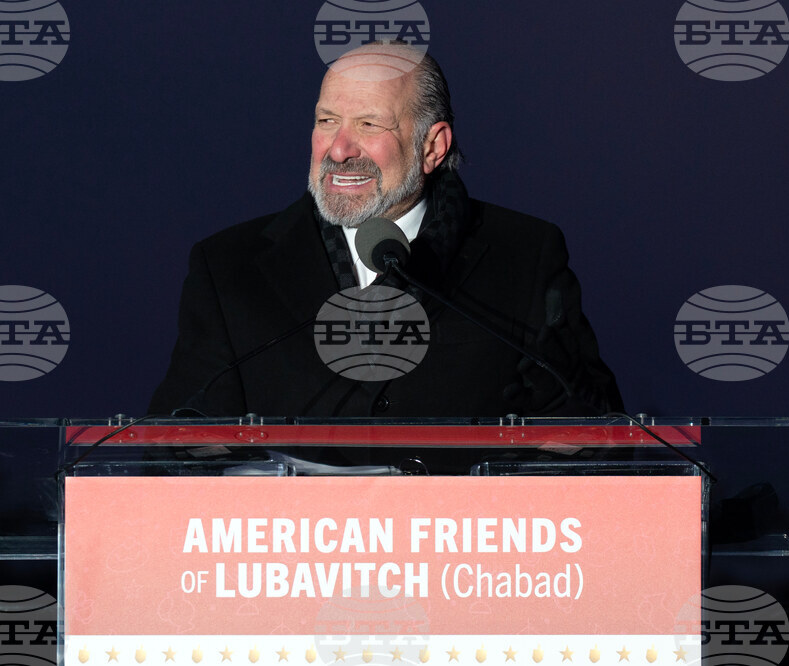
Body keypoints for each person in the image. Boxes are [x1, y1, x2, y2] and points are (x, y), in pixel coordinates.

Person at [148, 44, 623, 418]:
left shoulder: (524, 256)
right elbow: (181, 438)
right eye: (326, 121)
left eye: (369, 124)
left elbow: (585, 430)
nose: (338, 150)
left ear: (432, 147)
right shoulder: (229, 267)